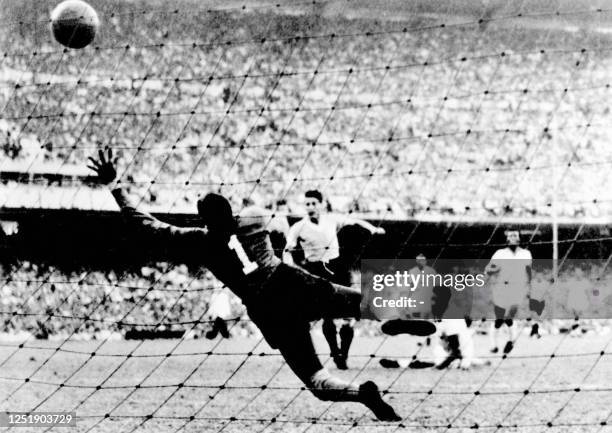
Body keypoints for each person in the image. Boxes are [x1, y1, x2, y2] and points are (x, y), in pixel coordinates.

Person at [87, 149, 435, 421]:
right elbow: (280, 224)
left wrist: (115, 187)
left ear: (205, 220)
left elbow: (145, 225)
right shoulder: (253, 217)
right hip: (290, 280)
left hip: (268, 308)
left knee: (317, 380)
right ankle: (390, 320)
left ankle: (362, 393)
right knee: (359, 303)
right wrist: (282, 245)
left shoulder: (201, 241)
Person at [283, 189, 385, 370]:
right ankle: (334, 352)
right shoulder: (299, 226)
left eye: (314, 203)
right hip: (317, 270)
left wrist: (373, 229)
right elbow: (287, 248)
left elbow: (355, 222)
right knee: (326, 315)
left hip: (338, 268)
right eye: (307, 204)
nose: (311, 207)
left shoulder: (331, 220)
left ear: (321, 204)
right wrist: (290, 263)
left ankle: (343, 354)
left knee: (350, 313)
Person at [485, 229, 532, 355]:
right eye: (510, 235)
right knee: (499, 318)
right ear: (507, 239)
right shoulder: (500, 253)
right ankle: (493, 345)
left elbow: (528, 271)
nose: (512, 237)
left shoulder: (526, 254)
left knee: (509, 316)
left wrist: (529, 288)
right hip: (501, 288)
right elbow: (489, 268)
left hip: (518, 289)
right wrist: (491, 271)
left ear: (519, 238)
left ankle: (511, 341)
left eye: (515, 235)